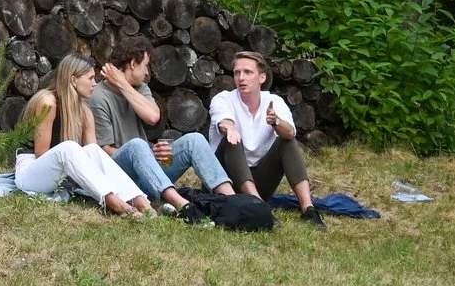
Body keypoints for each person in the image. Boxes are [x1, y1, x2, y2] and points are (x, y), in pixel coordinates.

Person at [90, 36, 236, 213]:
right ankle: (182, 205)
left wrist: (122, 85)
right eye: (146, 65)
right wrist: (145, 153)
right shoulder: (98, 97)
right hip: (123, 176)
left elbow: (153, 117)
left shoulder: (139, 88)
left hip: (149, 170)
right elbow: (104, 151)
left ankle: (233, 201)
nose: (147, 73)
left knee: (195, 140)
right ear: (133, 64)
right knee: (137, 146)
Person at [13, 55, 157, 216]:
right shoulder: (48, 102)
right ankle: (118, 206)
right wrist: (74, 169)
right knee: (70, 148)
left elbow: (94, 157)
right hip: (31, 171)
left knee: (93, 150)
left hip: (60, 175)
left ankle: (142, 203)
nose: (95, 84)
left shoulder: (85, 112)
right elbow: (41, 154)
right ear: (73, 80)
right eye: (90, 78)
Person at [209, 51, 323, 224]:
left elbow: (290, 132)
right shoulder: (223, 99)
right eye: (237, 73)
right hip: (226, 180)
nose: (241, 78)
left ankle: (308, 209)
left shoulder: (274, 101)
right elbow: (223, 120)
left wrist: (276, 121)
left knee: (287, 141)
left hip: (259, 178)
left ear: (262, 78)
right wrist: (230, 128)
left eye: (247, 72)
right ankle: (259, 208)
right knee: (232, 138)